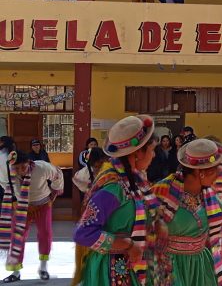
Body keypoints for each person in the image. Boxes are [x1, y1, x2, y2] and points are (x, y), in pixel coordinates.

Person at [73, 115, 160, 286]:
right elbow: (83, 233)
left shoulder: (135, 182)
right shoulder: (113, 188)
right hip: (113, 268)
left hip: (131, 263)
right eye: (152, 149)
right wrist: (128, 245)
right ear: (137, 153)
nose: (154, 155)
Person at [151, 138, 222, 286]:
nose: (218, 174)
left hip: (200, 265)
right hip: (171, 267)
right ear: (200, 172)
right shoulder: (163, 192)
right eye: (214, 170)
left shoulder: (208, 195)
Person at [0, 151, 64, 282]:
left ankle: (43, 268)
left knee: (45, 233)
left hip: (42, 204)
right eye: (16, 168)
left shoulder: (42, 167)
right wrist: (14, 201)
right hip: (23, 206)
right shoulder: (9, 172)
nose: (20, 171)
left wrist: (52, 196)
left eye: (22, 167)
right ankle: (16, 272)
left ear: (29, 163)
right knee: (18, 235)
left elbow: (58, 174)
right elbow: (5, 184)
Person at [71, 147, 110, 286]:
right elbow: (75, 178)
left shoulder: (108, 170)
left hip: (99, 209)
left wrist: (89, 188)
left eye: (100, 163)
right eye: (96, 164)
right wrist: (89, 187)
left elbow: (76, 178)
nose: (98, 166)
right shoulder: (90, 171)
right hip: (95, 208)